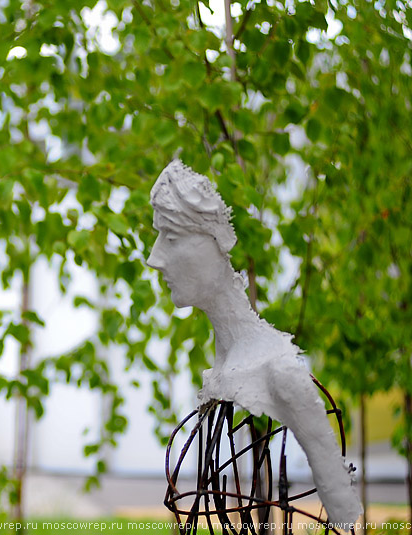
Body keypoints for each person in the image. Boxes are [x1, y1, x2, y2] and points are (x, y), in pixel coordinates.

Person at [146, 160, 361, 527]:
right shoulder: (224, 364)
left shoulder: (279, 373)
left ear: (216, 244)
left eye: (172, 238)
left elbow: (344, 517)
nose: (154, 259)